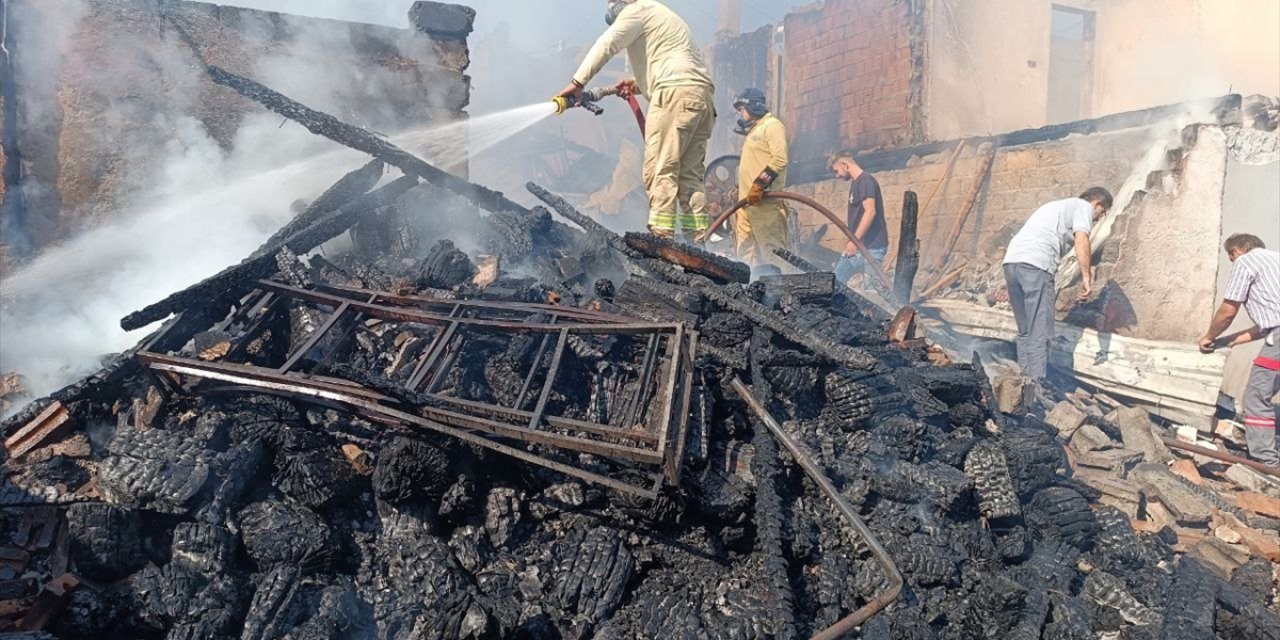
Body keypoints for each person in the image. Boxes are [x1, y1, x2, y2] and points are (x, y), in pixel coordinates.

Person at [557, 0, 716, 243]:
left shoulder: (636, 10)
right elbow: (675, 70)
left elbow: (607, 43)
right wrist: (634, 84)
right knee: (690, 177)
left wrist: (578, 83)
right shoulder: (662, 16)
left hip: (673, 95)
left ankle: (663, 242)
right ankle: (698, 244)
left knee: (661, 171)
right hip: (700, 98)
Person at [1001, 187, 1113, 380]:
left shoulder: (1055, 207)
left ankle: (1021, 381)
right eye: (1101, 214)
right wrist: (1086, 277)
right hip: (1036, 265)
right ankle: (1035, 384)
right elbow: (1082, 238)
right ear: (1097, 204)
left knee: (1025, 329)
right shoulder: (1083, 207)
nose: (1097, 219)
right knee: (1040, 330)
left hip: (1011, 264)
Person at [1198, 233, 1280, 468]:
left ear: (1240, 249)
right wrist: (1224, 342)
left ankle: (1265, 464)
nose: (1232, 262)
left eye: (1231, 256)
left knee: (1255, 398)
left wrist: (1209, 336)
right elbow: (1263, 328)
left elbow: (1228, 310)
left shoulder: (1246, 261)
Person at [732, 88, 789, 269]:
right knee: (745, 258)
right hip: (746, 205)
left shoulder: (772, 126)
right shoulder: (754, 130)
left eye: (742, 108)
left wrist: (759, 185)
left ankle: (784, 293)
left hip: (765, 204)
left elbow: (780, 159)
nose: (739, 113)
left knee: (774, 255)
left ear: (753, 106)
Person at [829, 151, 889, 285]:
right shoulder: (856, 183)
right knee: (835, 282)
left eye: (836, 171)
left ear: (845, 164)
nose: (836, 175)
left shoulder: (866, 181)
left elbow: (870, 212)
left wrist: (854, 241)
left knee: (872, 290)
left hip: (872, 247)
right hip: (858, 247)